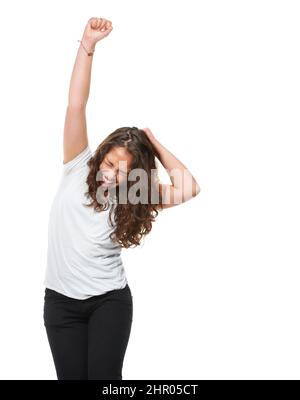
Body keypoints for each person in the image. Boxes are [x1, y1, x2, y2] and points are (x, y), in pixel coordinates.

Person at [43, 16, 201, 380]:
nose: (111, 175)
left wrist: (154, 144)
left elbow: (190, 187)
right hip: (60, 304)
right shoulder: (77, 165)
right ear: (103, 152)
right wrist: (87, 46)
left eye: (123, 171)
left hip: (108, 303)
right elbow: (75, 105)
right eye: (111, 163)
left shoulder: (136, 195)